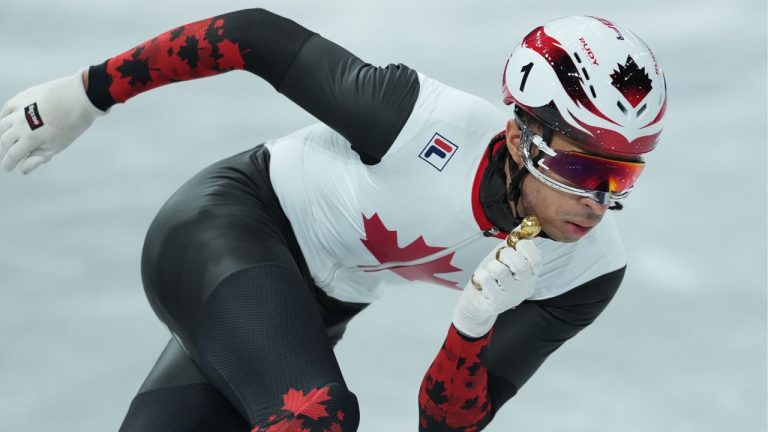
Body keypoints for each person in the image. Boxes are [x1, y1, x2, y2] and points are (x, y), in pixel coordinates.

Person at [0, 9, 667, 432]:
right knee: (316, 416)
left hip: (306, 310)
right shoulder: (414, 119)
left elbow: (446, 422)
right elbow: (252, 37)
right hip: (228, 226)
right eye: (585, 172)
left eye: (624, 178)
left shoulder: (587, 272)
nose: (599, 202)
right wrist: (88, 92)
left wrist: (473, 322)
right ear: (523, 139)